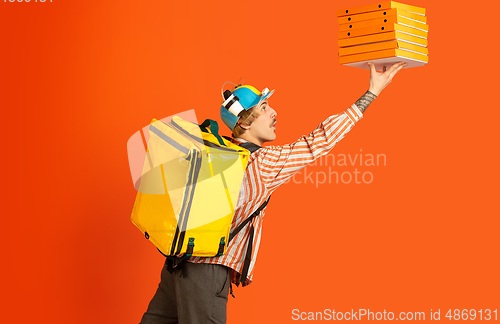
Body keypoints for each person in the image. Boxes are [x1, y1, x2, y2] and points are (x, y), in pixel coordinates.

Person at [139, 61, 407, 324]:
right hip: (206, 273)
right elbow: (320, 140)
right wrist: (372, 92)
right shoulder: (263, 162)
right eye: (264, 107)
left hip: (177, 265)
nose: (274, 112)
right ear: (244, 124)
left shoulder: (218, 154)